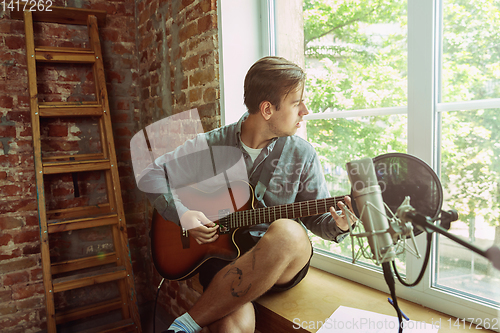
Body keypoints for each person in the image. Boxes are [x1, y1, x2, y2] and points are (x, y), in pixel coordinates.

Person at [139, 56, 354, 333]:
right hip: (225, 262)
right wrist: (183, 215)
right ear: (267, 109)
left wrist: (340, 224)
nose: (305, 110)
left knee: (288, 232)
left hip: (280, 263)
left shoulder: (302, 154)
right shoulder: (212, 144)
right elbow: (151, 175)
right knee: (231, 328)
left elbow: (317, 220)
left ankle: (185, 325)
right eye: (296, 102)